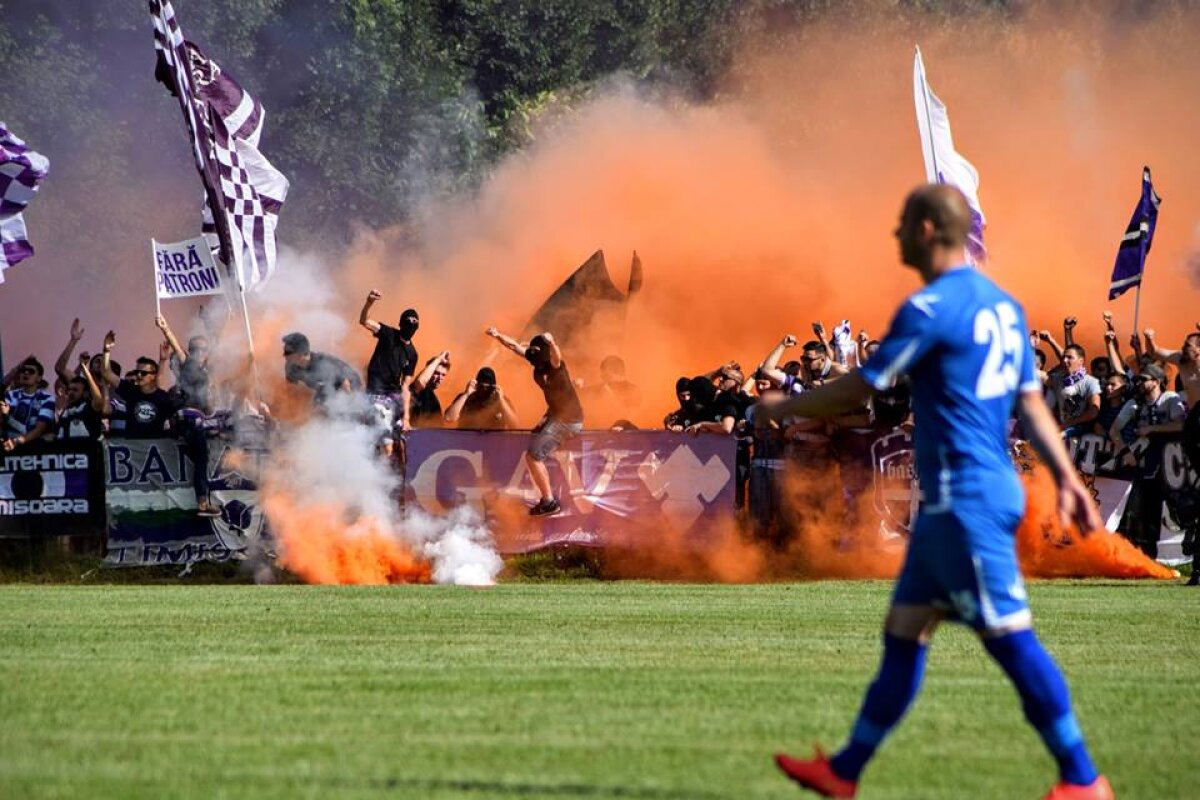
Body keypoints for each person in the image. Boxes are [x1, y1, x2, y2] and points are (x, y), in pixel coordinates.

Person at [763, 185, 1111, 800]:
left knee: (1010, 638)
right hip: (962, 500)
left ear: (926, 230)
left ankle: (1083, 779)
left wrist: (785, 406)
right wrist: (1062, 477)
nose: (895, 234)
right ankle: (844, 773)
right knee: (904, 634)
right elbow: (1029, 405)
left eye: (901, 224)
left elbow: (861, 390)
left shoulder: (927, 308)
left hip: (965, 500)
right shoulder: (1004, 308)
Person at [486, 327, 583, 516]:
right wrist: (498, 335)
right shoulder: (536, 362)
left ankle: (549, 501)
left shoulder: (555, 366)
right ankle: (547, 497)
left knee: (533, 456)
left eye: (537, 352)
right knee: (536, 440)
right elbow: (514, 346)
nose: (532, 355)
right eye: (532, 352)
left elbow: (557, 356)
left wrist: (552, 341)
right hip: (557, 415)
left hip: (568, 420)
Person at [1111, 363, 1186, 559]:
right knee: (1145, 512)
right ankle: (1146, 557)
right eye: (1138, 379)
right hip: (1146, 464)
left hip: (1172, 464)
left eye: (1144, 379)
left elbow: (1180, 424)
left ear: (1157, 381)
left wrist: (1152, 429)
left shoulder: (1170, 399)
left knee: (1180, 510)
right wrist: (1125, 451)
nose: (1139, 383)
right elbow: (1114, 431)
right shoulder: (1135, 403)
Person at [358, 290, 419, 432]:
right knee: (382, 432)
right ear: (401, 323)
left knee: (402, 432)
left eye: (415, 321)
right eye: (408, 320)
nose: (412, 323)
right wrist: (369, 302)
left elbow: (405, 387)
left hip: (393, 395)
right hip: (375, 393)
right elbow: (364, 321)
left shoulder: (412, 354)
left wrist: (406, 418)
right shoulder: (388, 334)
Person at [282, 332, 362, 407]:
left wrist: (349, 408)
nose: (284, 355)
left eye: (287, 353)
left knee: (330, 410)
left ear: (301, 354)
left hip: (349, 386)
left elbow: (345, 384)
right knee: (316, 407)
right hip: (326, 388)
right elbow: (291, 392)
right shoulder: (291, 368)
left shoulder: (322, 364)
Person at [2, 356, 56, 451]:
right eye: (23, 370)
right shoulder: (10, 395)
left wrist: (15, 442)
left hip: (31, 448)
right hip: (7, 445)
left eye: (31, 371)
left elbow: (39, 430)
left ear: (39, 378)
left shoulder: (47, 399)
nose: (26, 373)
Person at [445, 367, 518, 430]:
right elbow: (449, 418)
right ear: (476, 386)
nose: (484, 390)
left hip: (493, 442)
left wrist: (501, 400)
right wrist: (466, 394)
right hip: (467, 441)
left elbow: (515, 426)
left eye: (487, 388)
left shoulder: (500, 401)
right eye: (481, 387)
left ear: (493, 388)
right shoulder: (467, 398)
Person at [55, 351, 107, 440]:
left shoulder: (88, 407)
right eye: (69, 390)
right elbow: (60, 368)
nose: (71, 392)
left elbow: (98, 401)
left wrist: (86, 373)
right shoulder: (66, 411)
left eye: (75, 390)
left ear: (86, 393)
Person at [410, 351, 450, 428]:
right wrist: (438, 359)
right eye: (437, 373)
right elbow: (420, 382)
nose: (439, 378)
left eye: (443, 375)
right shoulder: (420, 389)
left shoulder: (433, 398)